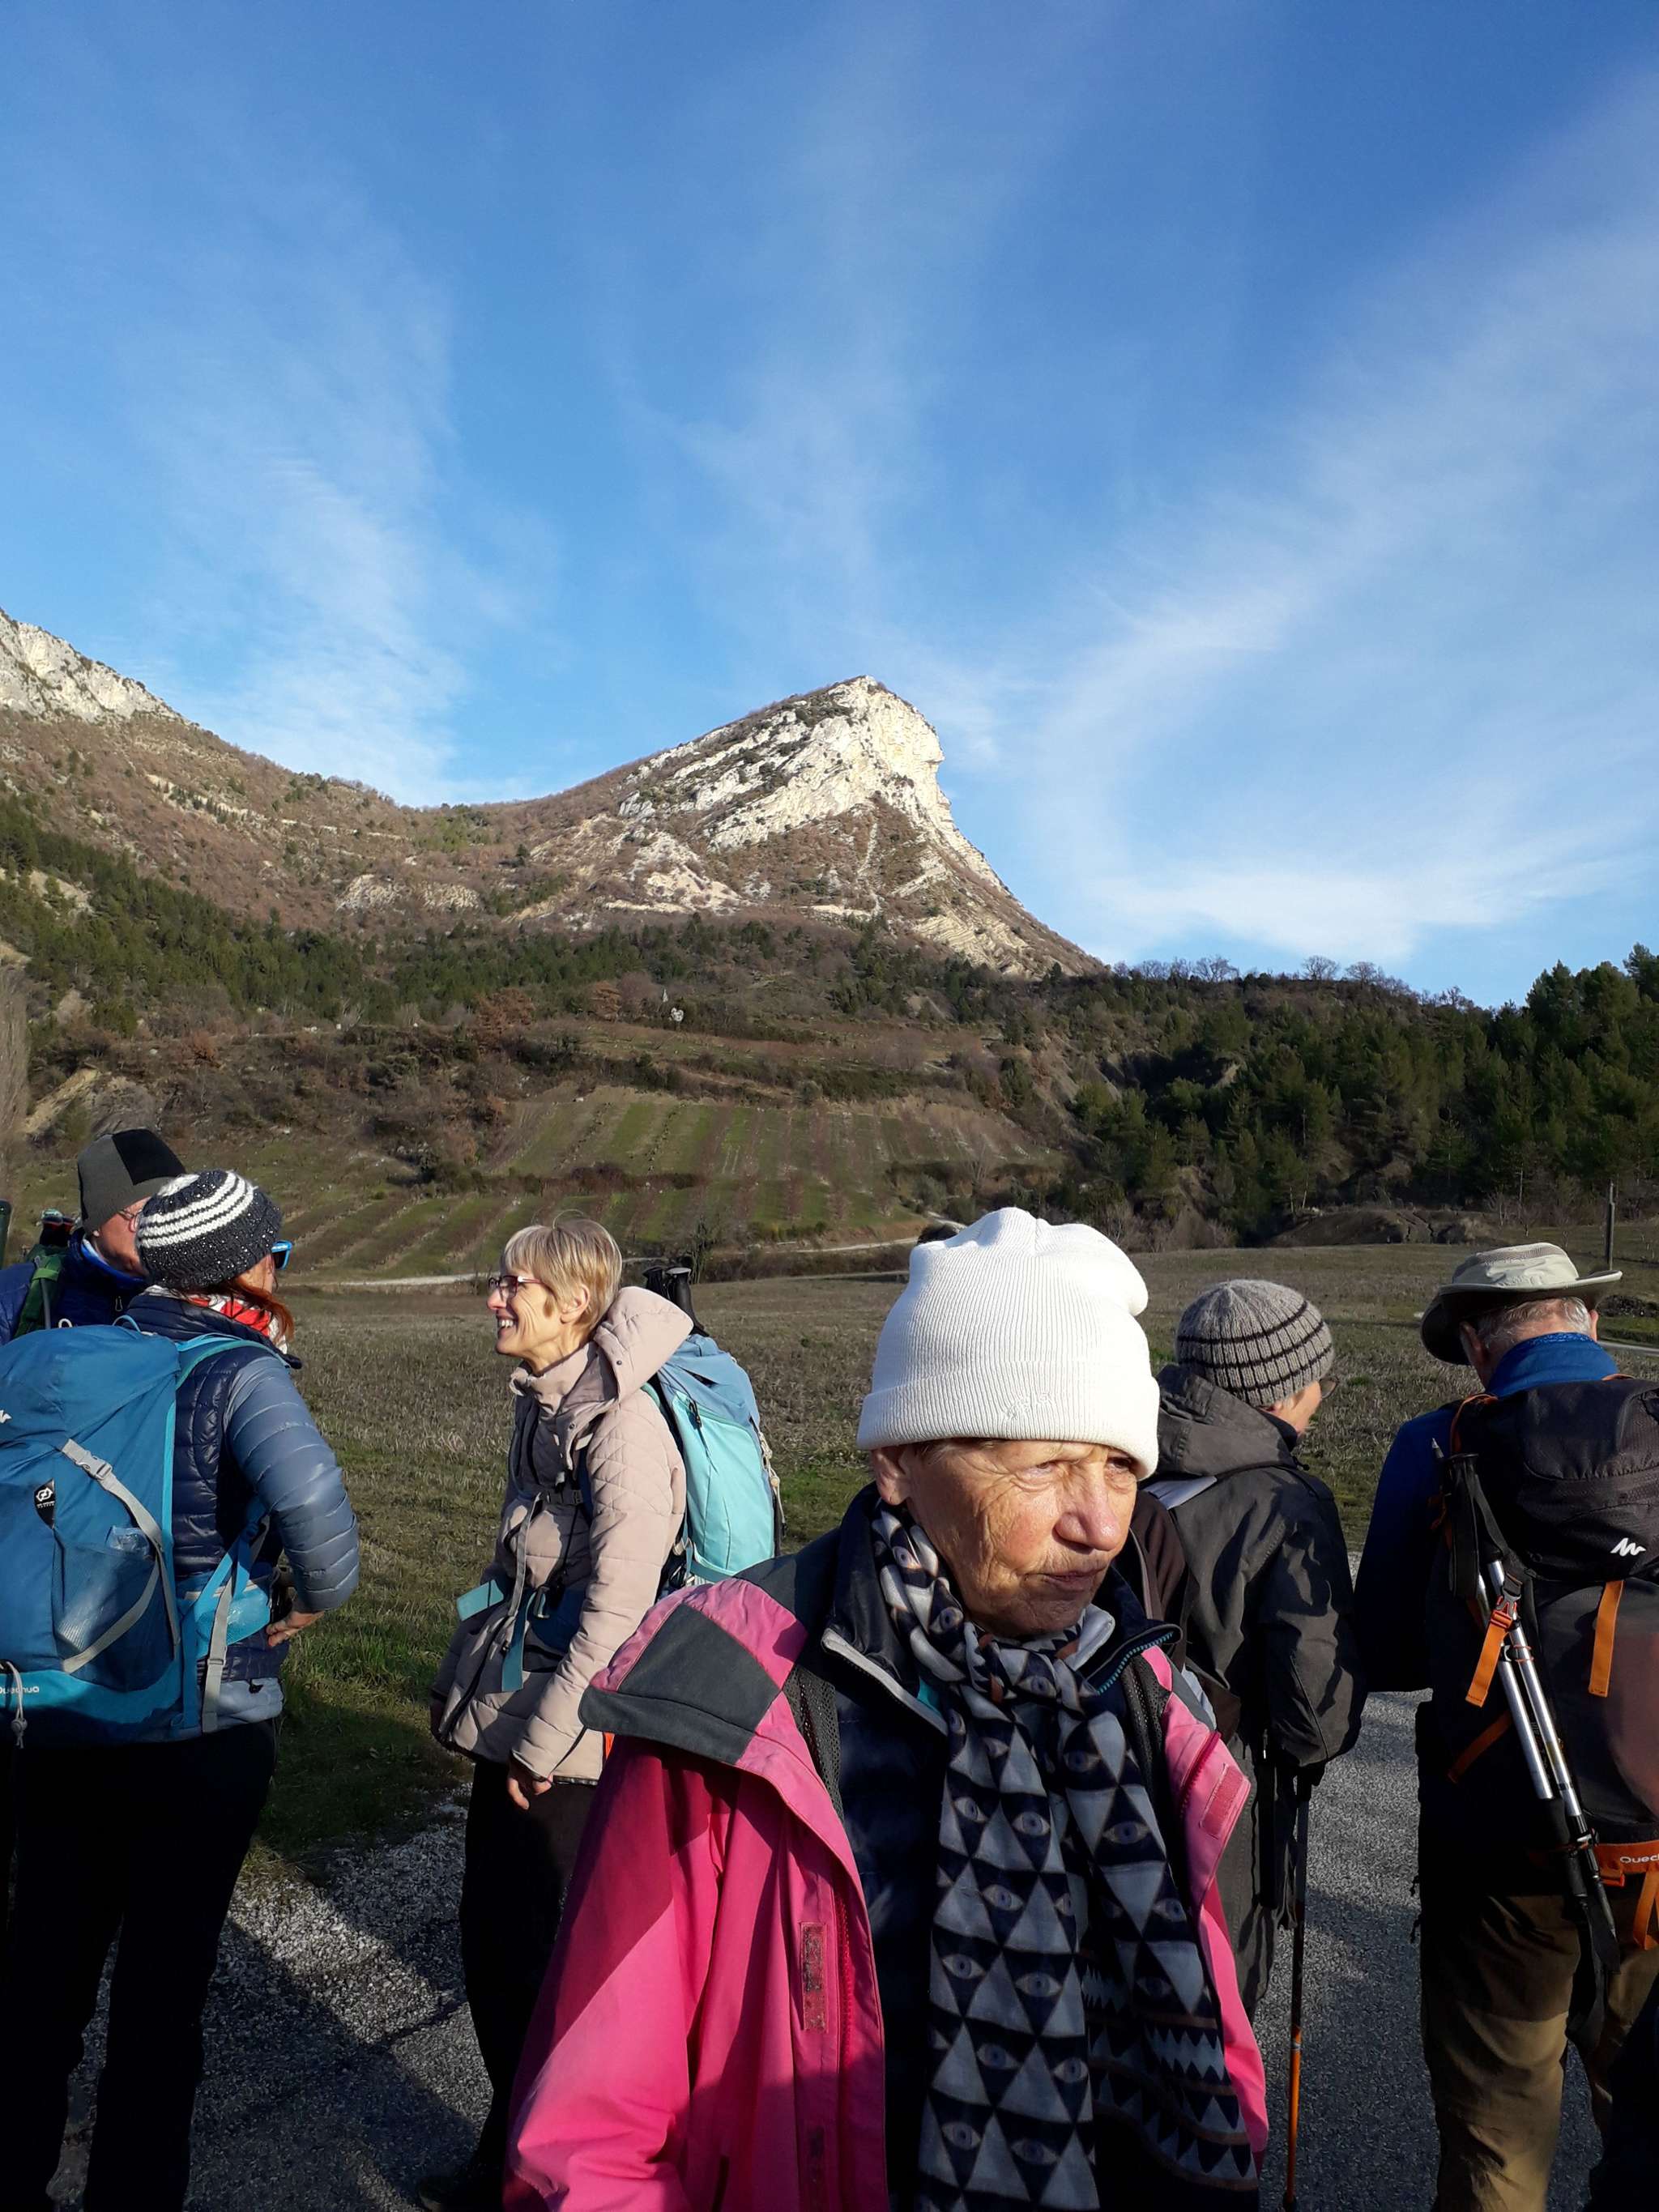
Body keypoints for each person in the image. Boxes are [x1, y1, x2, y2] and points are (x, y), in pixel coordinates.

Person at [508, 1208, 1269, 2212]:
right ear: (899, 1461)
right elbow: (594, 2138)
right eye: (1045, 1465)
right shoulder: (730, 1694)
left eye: (1121, 1466)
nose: (1098, 1524)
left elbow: (1216, 2037)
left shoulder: (1145, 1692)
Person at [0, 1169, 359, 2212]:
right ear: (247, 1266)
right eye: (276, 1254)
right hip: (195, 1727)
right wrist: (308, 1601)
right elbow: (321, 1525)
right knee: (159, 2005)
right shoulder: (242, 1372)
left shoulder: (51, 1352)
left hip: (55, 1715)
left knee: (40, 1984)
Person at [1354, 1242, 1659, 2212]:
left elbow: (1386, 1649)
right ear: (1589, 1322)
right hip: (1657, 1845)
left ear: (1476, 1345)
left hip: (1494, 1850)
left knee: (1496, 2137)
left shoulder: (1434, 1443)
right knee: (1651, 2121)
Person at [425, 1217, 696, 2212]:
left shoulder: (623, 1431)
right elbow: (519, 1570)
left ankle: (555, 2176)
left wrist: (539, 1748)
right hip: (520, 1717)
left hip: (569, 1748)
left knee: (544, 1973)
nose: (495, 1297)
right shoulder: (543, 1404)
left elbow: (616, 1614)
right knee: (494, 1951)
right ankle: (509, 2152)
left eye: (515, 1284)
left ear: (573, 1302)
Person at [1147, 1281, 1364, 2017]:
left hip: (1106, 1769)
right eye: (1316, 1380)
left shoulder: (1116, 1460)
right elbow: (1316, 1719)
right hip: (1225, 1798)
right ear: (1280, 1392)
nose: (1322, 1396)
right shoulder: (1287, 1503)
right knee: (1217, 2006)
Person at [0, 1129, 185, 1956]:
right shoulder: (27, 1294)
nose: (156, 1227)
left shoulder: (189, 1299)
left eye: (170, 1210)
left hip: (143, 1589)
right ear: (99, 1214)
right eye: (141, 1212)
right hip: (29, 1584)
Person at [0, 1127, 186, 1339]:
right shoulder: (16, 1298)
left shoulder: (200, 1296)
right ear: (97, 1222)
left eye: (172, 1213)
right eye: (145, 1214)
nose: (159, 1227)